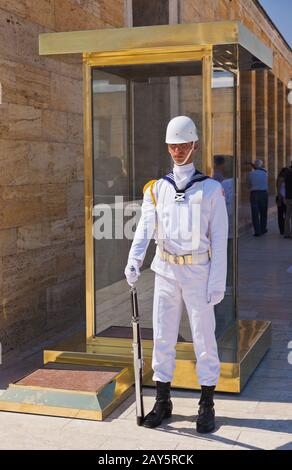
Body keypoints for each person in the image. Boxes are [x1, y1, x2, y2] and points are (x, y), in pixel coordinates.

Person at [124, 116, 228, 433]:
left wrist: (217, 281)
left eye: (183, 144)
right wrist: (134, 259)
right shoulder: (157, 189)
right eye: (173, 145)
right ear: (168, 147)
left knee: (203, 337)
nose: (178, 150)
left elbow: (221, 238)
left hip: (198, 270)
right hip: (166, 270)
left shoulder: (210, 189)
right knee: (163, 336)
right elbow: (145, 228)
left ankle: (206, 403)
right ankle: (163, 401)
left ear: (194, 144)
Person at [247, 159, 268, 237]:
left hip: (254, 194)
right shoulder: (265, 173)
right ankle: (263, 228)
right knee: (263, 212)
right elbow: (261, 168)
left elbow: (248, 185)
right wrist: (254, 165)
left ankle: (257, 231)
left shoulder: (250, 174)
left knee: (255, 213)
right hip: (263, 193)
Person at [276, 167, 289, 236]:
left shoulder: (286, 179)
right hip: (281, 198)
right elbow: (278, 190)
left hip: (286, 198)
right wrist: (280, 199)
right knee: (281, 214)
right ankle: (282, 230)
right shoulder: (281, 179)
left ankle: (285, 229)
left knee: (286, 214)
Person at [284, 164, 292, 239]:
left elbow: (284, 185)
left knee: (287, 215)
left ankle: (287, 233)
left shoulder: (287, 174)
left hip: (288, 197)